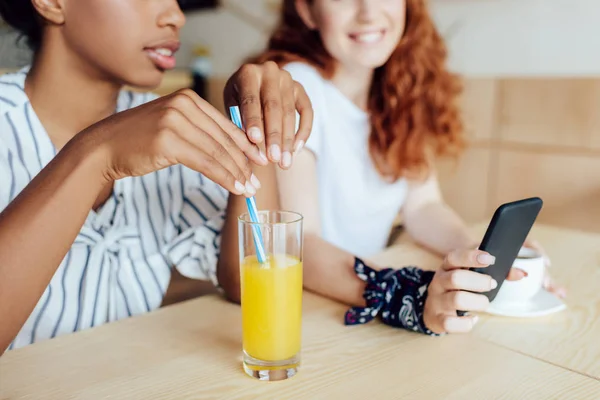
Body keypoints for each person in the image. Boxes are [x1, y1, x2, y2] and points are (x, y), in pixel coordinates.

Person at [0, 0, 313, 351]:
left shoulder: (165, 127)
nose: (175, 16)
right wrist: (96, 154)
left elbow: (247, 283)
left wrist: (252, 125)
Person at [248, 0, 565, 334]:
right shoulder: (296, 88)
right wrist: (405, 293)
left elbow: (423, 206)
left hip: (351, 308)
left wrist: (479, 255)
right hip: (307, 312)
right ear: (307, 10)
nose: (368, 12)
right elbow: (297, 244)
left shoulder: (400, 93)